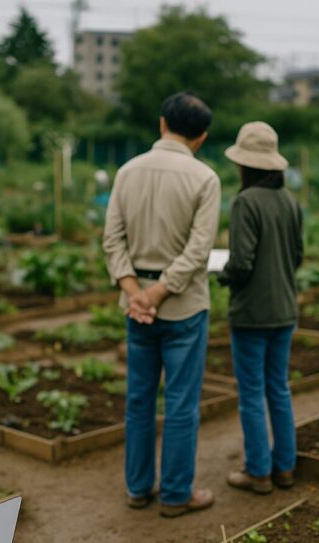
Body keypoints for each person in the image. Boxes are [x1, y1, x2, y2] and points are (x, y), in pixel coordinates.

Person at [103, 92, 221, 518]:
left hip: (137, 307)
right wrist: (158, 293)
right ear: (201, 136)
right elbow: (198, 251)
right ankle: (175, 494)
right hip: (182, 306)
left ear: (161, 124)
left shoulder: (126, 171)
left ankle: (138, 488)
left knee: (138, 400)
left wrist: (136, 292)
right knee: (182, 403)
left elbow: (112, 240)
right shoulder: (205, 178)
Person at [218, 121, 303, 494]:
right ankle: (284, 468)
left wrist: (222, 276)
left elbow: (241, 263)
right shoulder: (290, 202)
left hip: (252, 313)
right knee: (279, 390)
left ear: (246, 165)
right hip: (285, 309)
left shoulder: (246, 201)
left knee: (252, 394)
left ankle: (258, 472)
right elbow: (297, 256)